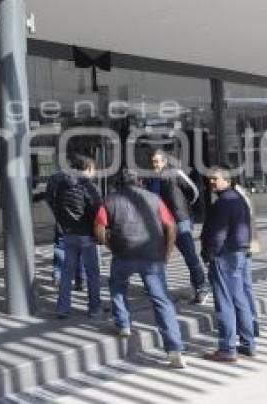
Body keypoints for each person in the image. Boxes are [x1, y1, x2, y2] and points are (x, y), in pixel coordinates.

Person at [94, 169, 187, 369]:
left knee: (117, 287)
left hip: (123, 254)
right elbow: (171, 226)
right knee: (161, 300)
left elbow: (99, 230)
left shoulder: (109, 200)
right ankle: (174, 349)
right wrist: (167, 253)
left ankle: (124, 324)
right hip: (152, 256)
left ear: (120, 183)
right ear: (140, 182)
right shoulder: (154, 199)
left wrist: (111, 246)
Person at [200, 165, 256, 362]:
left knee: (224, 303)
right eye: (210, 179)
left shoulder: (223, 203)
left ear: (227, 180)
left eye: (215, 179)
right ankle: (248, 343)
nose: (211, 182)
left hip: (225, 256)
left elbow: (217, 235)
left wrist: (209, 255)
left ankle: (227, 348)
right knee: (240, 299)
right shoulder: (238, 199)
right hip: (239, 254)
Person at [146, 149, 210, 304]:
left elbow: (193, 191)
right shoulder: (151, 179)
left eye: (157, 161)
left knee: (190, 256)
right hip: (161, 224)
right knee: (158, 257)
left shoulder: (175, 173)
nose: (155, 164)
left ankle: (201, 287)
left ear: (164, 161)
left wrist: (185, 209)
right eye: (153, 162)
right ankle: (158, 288)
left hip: (180, 221)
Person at [46, 155, 102, 318]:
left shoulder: (61, 185)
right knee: (92, 273)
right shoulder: (89, 187)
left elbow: (54, 203)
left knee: (66, 273)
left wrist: (63, 223)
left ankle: (62, 309)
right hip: (86, 236)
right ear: (89, 168)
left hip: (69, 233)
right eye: (94, 169)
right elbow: (97, 211)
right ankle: (94, 308)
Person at [232, 181, 261, 339]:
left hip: (242, 247)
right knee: (246, 286)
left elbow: (246, 224)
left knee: (243, 286)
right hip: (247, 246)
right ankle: (253, 323)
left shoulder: (236, 197)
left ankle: (249, 324)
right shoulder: (242, 194)